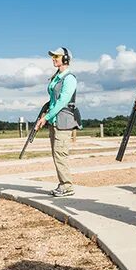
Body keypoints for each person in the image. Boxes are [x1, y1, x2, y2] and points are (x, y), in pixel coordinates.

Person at [34, 47, 82, 197]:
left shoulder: (69, 78)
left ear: (65, 59)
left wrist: (45, 118)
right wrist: (45, 112)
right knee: (57, 154)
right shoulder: (57, 77)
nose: (54, 58)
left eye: (57, 56)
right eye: (53, 56)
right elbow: (53, 101)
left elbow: (61, 102)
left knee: (60, 154)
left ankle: (67, 186)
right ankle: (63, 183)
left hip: (64, 121)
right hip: (55, 120)